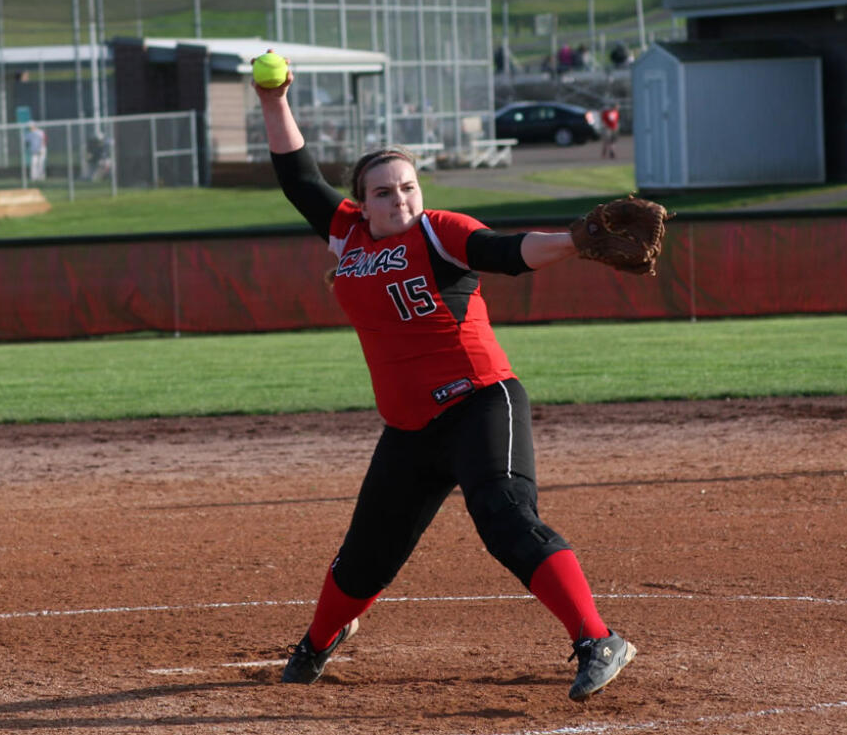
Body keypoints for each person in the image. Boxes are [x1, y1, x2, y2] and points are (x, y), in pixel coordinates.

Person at [254, 54, 635, 702]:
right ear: (363, 202)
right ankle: (317, 642)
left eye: (407, 186)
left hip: (479, 402)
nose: (398, 198)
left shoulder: (438, 233)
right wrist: (273, 100)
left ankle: (597, 637)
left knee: (503, 515)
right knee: (365, 556)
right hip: (408, 428)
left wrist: (577, 238)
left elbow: (509, 251)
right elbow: (299, 177)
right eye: (383, 190)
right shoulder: (348, 235)